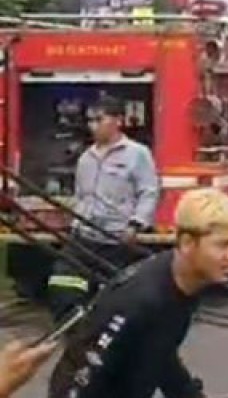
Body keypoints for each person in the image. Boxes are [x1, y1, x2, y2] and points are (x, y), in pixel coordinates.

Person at [48, 187, 228, 398]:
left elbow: (161, 353)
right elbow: (84, 378)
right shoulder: (141, 301)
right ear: (188, 243)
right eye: (224, 245)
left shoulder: (185, 282)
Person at [48, 96, 159, 320]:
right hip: (83, 236)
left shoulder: (137, 154)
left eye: (99, 119)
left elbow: (149, 192)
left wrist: (135, 225)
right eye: (90, 120)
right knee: (62, 284)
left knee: (113, 295)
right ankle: (72, 328)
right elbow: (81, 195)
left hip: (116, 240)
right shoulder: (86, 158)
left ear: (118, 121)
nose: (93, 125)